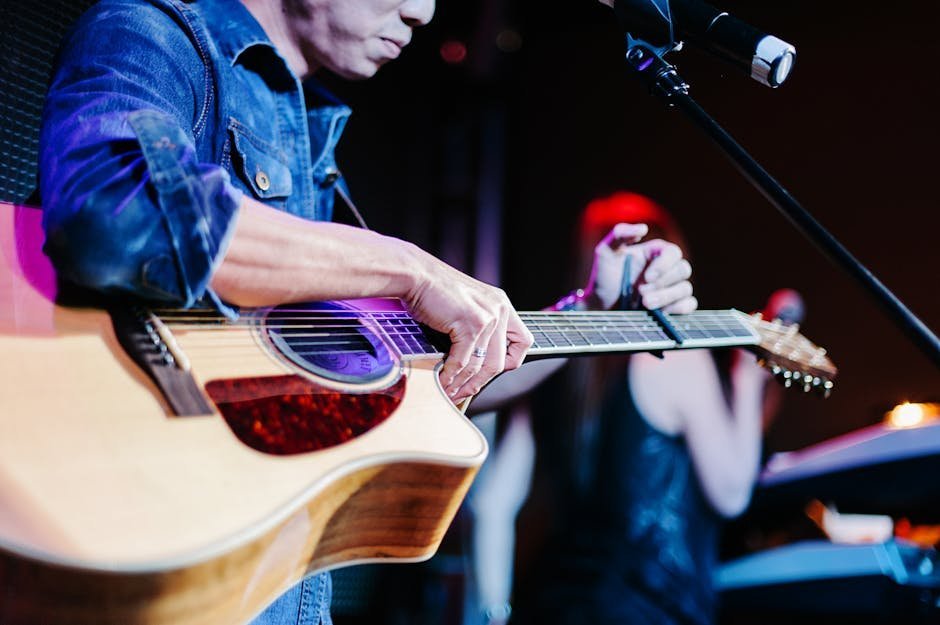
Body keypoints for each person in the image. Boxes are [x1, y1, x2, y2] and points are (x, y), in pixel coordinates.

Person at [36, 2, 697, 624]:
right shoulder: (157, 34)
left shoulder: (307, 134)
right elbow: (115, 207)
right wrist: (408, 267)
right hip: (149, 560)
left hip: (282, 585)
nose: (426, 11)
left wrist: (594, 310)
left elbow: (424, 372)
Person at [508, 191, 792, 625]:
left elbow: (491, 503)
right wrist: (747, 378)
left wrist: (489, 612)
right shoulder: (672, 355)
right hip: (646, 608)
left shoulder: (549, 368)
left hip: (552, 602)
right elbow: (730, 492)